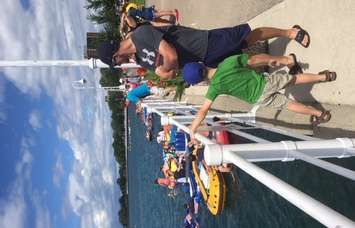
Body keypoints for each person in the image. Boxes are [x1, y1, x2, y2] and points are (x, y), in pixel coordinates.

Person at [182, 53, 336, 143]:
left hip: (257, 98)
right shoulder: (227, 63)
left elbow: (203, 110)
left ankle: (320, 114)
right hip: (264, 83)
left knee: (287, 105)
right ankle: (324, 76)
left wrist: (193, 129)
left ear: (201, 82)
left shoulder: (214, 88)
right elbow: (254, 60)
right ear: (202, 64)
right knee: (294, 80)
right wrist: (273, 60)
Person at [98, 23, 311, 79]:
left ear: (115, 54)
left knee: (246, 38)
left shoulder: (141, 35)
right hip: (202, 58)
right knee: (245, 59)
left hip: (202, 42)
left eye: (116, 62)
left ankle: (290, 32)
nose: (119, 64)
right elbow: (171, 72)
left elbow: (170, 56)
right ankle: (286, 60)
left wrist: (164, 68)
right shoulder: (140, 60)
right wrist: (166, 70)